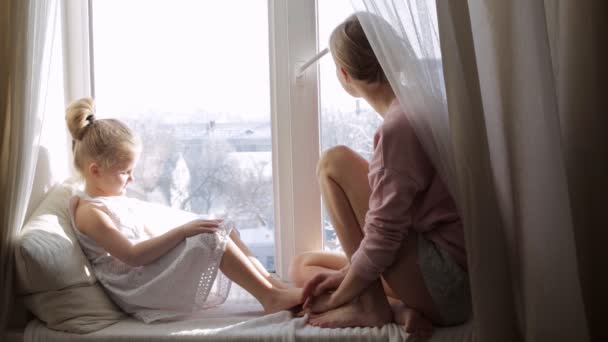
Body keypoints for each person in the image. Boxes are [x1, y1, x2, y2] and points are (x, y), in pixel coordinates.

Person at [288, 14, 470, 335]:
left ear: (344, 75)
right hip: (442, 274)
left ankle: (370, 306)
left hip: (448, 284)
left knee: (334, 162)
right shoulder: (421, 106)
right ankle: (399, 311)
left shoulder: (400, 127)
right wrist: (346, 276)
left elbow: (384, 237)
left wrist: (343, 296)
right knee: (302, 267)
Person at [66, 97, 302, 323]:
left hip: (143, 271)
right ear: (95, 171)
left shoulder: (114, 198)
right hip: (136, 287)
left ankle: (274, 286)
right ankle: (269, 298)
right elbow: (132, 255)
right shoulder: (90, 212)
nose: (132, 179)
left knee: (217, 225)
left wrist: (189, 228)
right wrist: (183, 232)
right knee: (208, 238)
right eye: (125, 172)